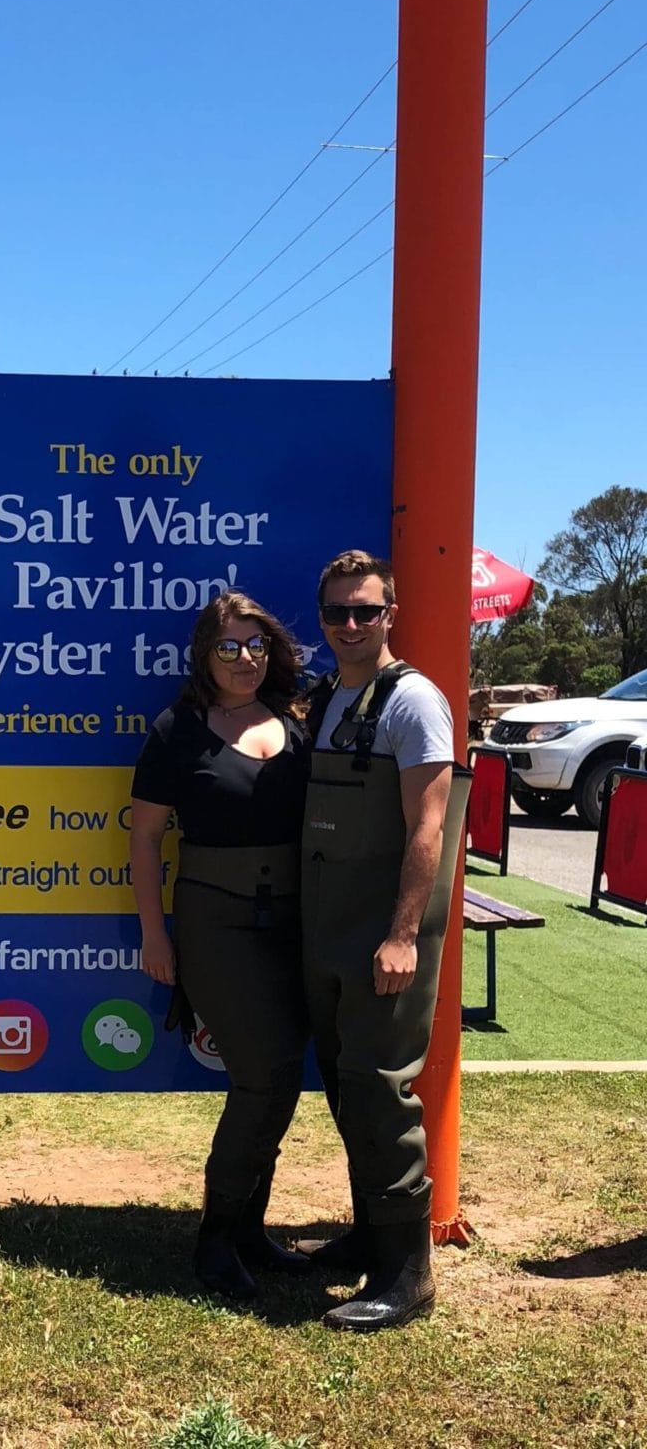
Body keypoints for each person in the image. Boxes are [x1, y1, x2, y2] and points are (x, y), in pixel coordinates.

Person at [129, 591, 313, 1302]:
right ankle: (214, 1239)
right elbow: (144, 838)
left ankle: (249, 1232)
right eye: (229, 647)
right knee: (263, 1076)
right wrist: (154, 932)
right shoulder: (177, 730)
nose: (245, 659)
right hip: (216, 921)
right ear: (205, 655)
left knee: (283, 1078)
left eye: (256, 645)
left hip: (299, 921)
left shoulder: (299, 718)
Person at [301, 548, 465, 1333]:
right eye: (338, 612)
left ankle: (408, 1273)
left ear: (390, 614)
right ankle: (371, 1233)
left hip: (384, 935)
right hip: (328, 930)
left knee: (379, 1088)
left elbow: (428, 828)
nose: (352, 625)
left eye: (367, 610)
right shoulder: (330, 695)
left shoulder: (414, 702)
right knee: (345, 1085)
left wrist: (403, 934)